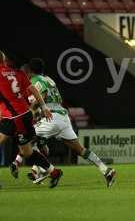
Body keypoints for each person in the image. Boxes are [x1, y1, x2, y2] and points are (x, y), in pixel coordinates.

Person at [10, 58, 116, 187]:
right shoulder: (49, 79)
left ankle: (38, 169)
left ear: (30, 72)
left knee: (27, 137)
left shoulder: (35, 80)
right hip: (63, 117)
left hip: (52, 117)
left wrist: (32, 109)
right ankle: (106, 170)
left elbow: (41, 95)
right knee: (80, 150)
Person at [0, 51, 62, 188]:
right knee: (27, 152)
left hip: (13, 117)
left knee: (27, 151)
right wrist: (44, 107)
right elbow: (33, 89)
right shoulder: (17, 73)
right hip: (24, 115)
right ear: (4, 60)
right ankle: (54, 172)